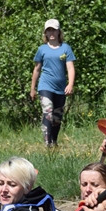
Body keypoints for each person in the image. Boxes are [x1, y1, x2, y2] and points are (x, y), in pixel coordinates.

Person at [30, 18, 76, 147]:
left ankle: (54, 141)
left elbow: (70, 67)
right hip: (45, 85)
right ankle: (47, 143)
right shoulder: (42, 49)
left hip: (60, 87)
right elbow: (37, 69)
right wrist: (32, 88)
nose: (51, 33)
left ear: (58, 32)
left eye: (54, 30)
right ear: (45, 33)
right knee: (48, 112)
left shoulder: (65, 48)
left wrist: (70, 84)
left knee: (57, 117)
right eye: (48, 30)